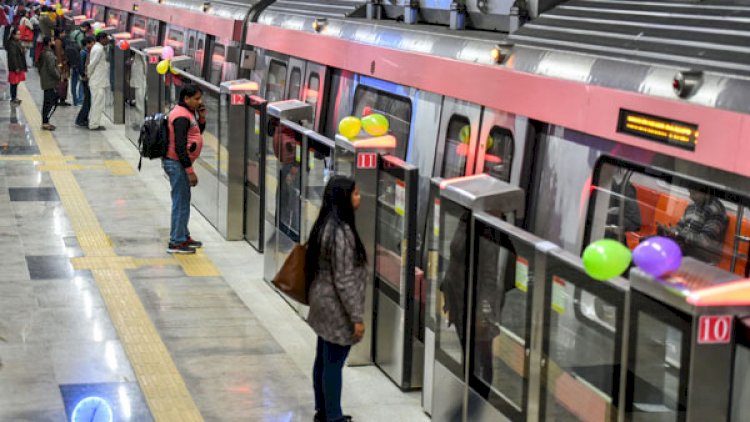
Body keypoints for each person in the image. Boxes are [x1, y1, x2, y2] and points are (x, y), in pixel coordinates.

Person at [306, 175, 366, 422]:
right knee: (333, 364)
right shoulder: (341, 233)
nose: (359, 197)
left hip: (321, 300)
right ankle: (334, 416)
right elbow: (344, 280)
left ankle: (323, 410)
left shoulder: (324, 225)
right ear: (343, 198)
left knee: (322, 359)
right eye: (355, 193)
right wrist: (357, 318)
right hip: (335, 307)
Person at [163, 84, 205, 254]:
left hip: (179, 164)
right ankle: (176, 242)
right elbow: (180, 146)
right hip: (177, 164)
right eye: (196, 99)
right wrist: (189, 171)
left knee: (183, 201)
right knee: (180, 202)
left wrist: (201, 118)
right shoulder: (181, 116)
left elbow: (195, 133)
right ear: (186, 99)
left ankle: (183, 235)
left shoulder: (187, 113)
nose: (199, 101)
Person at [657, 186, 729, 264]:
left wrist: (679, 235)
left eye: (694, 193)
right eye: (689, 192)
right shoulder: (692, 206)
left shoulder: (716, 210)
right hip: (684, 248)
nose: (690, 197)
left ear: (705, 192)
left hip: (701, 257)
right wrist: (671, 230)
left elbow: (704, 241)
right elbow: (680, 226)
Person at [605, 169, 641, 240]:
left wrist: (615, 212)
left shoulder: (626, 188)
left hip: (629, 222)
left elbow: (633, 220)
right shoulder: (615, 184)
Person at [86, 32, 109, 131]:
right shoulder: (98, 49)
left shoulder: (98, 48)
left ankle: (93, 121)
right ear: (102, 39)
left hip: (98, 80)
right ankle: (94, 124)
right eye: (106, 38)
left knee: (96, 102)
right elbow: (92, 64)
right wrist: (89, 75)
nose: (108, 40)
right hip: (97, 81)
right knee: (97, 103)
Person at [37, 35, 59, 131]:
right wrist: (58, 76)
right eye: (52, 40)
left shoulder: (44, 52)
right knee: (52, 103)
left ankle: (45, 122)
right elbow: (51, 68)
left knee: (47, 102)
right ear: (49, 42)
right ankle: (46, 122)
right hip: (50, 82)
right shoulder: (49, 54)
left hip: (45, 81)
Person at [75, 36, 94, 127]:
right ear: (87, 44)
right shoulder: (84, 53)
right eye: (91, 43)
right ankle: (81, 119)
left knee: (88, 99)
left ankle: (83, 118)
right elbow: (81, 66)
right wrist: (84, 76)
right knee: (87, 100)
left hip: (86, 78)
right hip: (85, 79)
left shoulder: (86, 52)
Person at [6, 27, 26, 105]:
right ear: (13, 35)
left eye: (19, 34)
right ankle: (13, 97)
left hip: (18, 65)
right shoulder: (12, 44)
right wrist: (16, 67)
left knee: (16, 82)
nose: (19, 35)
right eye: (17, 34)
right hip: (14, 67)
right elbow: (13, 56)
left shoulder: (17, 42)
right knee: (13, 83)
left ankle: (14, 97)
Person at [53, 27, 70, 106]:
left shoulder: (59, 41)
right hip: (61, 65)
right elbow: (58, 54)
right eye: (63, 32)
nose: (64, 34)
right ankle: (60, 98)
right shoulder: (58, 42)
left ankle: (62, 98)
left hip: (63, 65)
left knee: (63, 82)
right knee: (62, 82)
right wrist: (60, 65)